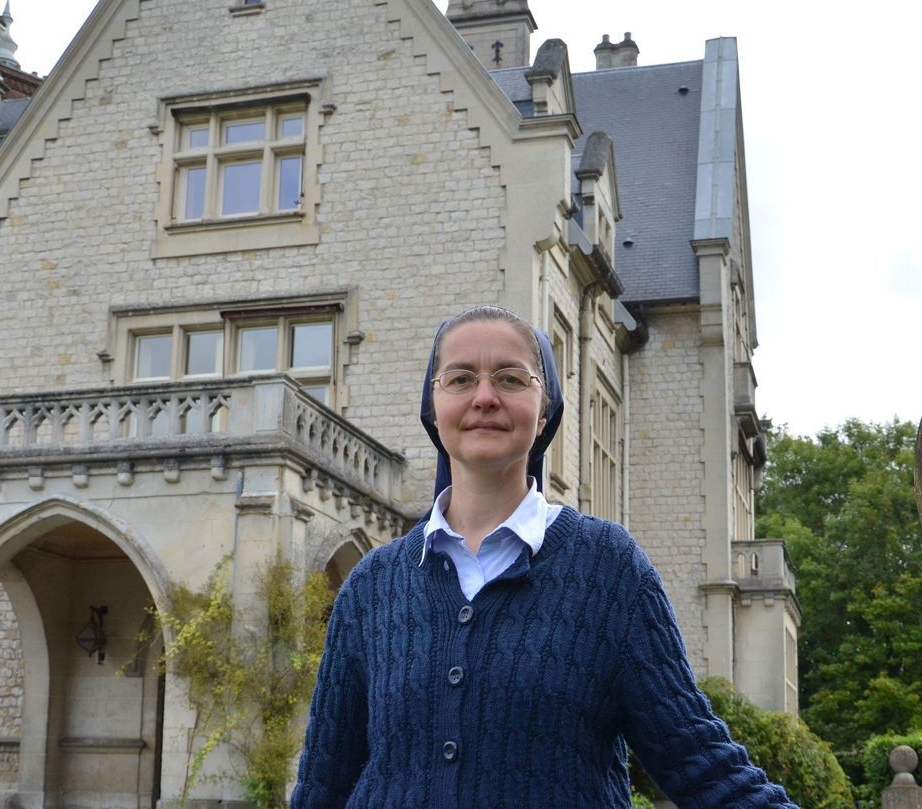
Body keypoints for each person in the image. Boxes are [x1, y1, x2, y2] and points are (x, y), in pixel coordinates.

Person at [290, 306, 798, 808]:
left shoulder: (609, 571)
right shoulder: (372, 588)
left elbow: (702, 765)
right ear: (433, 405)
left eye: (511, 379)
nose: (485, 397)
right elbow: (322, 787)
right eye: (461, 378)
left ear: (545, 409)